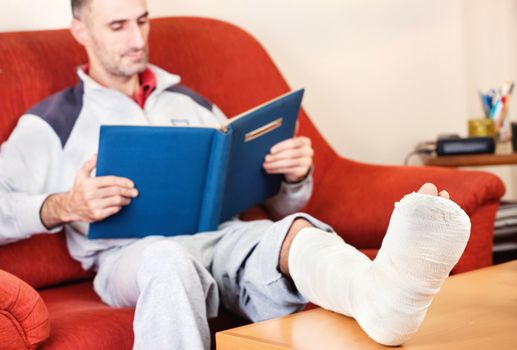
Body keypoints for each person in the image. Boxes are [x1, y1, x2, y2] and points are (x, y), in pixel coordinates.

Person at [0, 0, 471, 349]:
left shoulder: (191, 102)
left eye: (142, 20)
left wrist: (292, 177)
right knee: (167, 261)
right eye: (118, 26)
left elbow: (279, 203)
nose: (137, 39)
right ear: (79, 30)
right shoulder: (54, 121)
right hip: (128, 256)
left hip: (220, 238)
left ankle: (382, 302)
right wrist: (63, 205)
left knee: (293, 231)